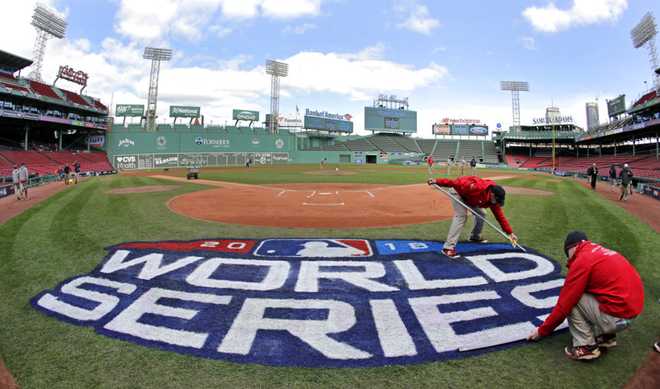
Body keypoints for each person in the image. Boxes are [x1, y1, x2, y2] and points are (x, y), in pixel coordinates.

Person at [527, 231, 644, 361]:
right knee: (595, 290)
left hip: (617, 316)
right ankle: (607, 337)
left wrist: (542, 331)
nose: (569, 259)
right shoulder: (600, 252)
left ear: (571, 248)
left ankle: (586, 347)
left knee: (573, 300)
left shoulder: (582, 260)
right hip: (632, 312)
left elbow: (564, 305)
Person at [427, 175, 517, 258]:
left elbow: (500, 216)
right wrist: (437, 181)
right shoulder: (477, 187)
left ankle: (475, 236)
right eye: (497, 201)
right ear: (492, 195)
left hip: (471, 199)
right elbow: (455, 183)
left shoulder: (493, 200)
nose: (497, 203)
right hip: (458, 192)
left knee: (482, 213)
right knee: (461, 215)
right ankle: (448, 248)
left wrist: (510, 233)